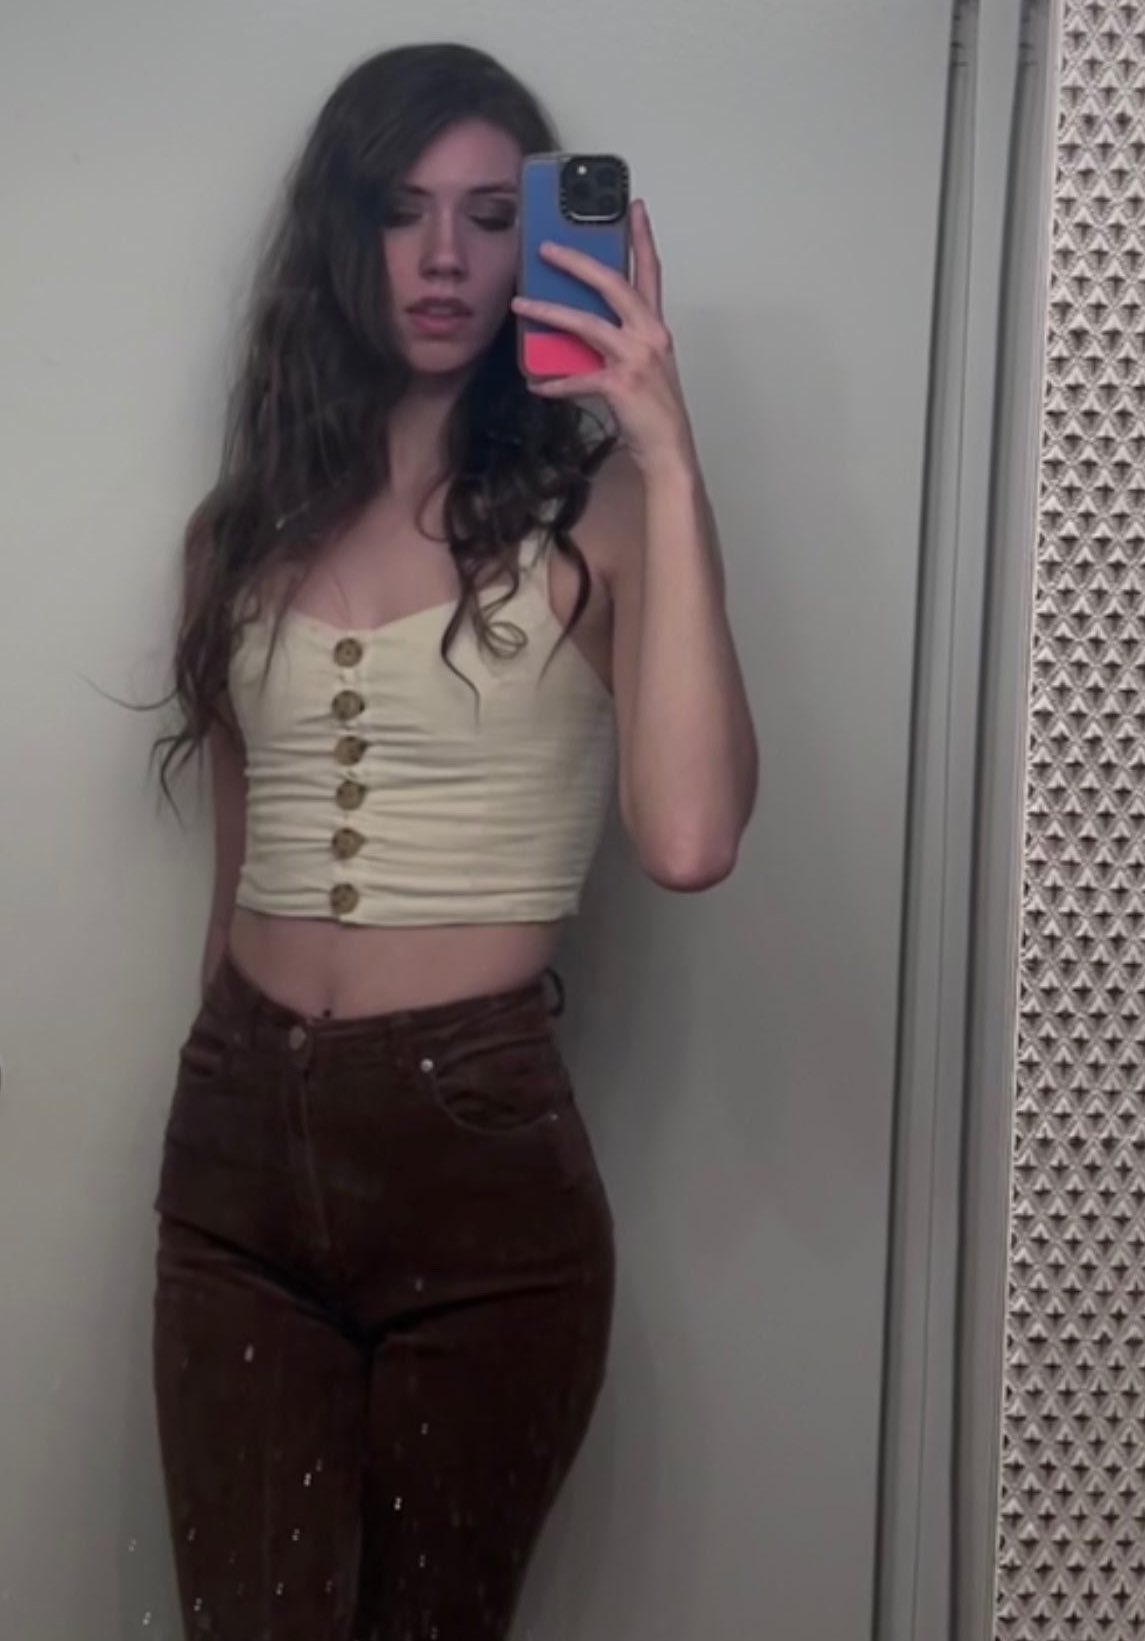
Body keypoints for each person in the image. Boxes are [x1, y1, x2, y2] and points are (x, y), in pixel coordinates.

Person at [149, 39, 757, 1641]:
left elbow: (690, 835)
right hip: (236, 1138)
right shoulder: (235, 535)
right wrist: (225, 1086)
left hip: (475, 1155)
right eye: (400, 210)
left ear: (535, 244)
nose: (442, 257)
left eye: (491, 217)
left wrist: (667, 452)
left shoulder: (602, 523)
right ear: (339, 233)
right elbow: (237, 865)